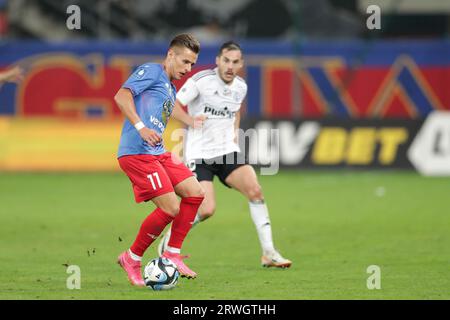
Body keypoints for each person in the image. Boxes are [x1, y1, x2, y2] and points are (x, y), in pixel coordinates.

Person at [158, 41, 292, 268]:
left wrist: (234, 133)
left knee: (255, 191)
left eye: (235, 62)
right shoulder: (201, 81)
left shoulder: (241, 86)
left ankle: (269, 253)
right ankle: (169, 241)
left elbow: (235, 110)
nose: (230, 66)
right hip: (199, 153)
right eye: (226, 60)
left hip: (227, 152)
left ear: (241, 64)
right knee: (206, 209)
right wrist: (191, 121)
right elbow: (172, 104)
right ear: (218, 61)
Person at [114, 34, 205, 286]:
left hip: (157, 151)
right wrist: (141, 127)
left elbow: (171, 105)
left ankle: (172, 254)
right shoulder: (151, 71)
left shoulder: (168, 84)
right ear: (170, 55)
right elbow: (122, 96)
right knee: (170, 208)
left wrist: (190, 122)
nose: (187, 69)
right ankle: (131, 258)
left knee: (195, 193)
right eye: (185, 61)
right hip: (137, 153)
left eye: (192, 65)